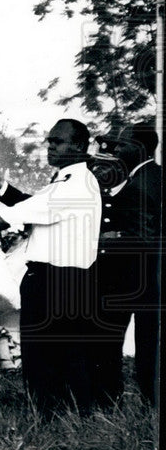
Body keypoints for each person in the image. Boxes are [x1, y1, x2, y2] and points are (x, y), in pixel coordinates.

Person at [0, 119, 102, 414]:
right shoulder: (71, 180)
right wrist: (3, 187)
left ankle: (51, 417)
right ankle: (73, 416)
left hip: (55, 281)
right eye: (49, 140)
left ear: (79, 146)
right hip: (66, 280)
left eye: (58, 141)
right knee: (65, 354)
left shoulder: (74, 185)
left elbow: (16, 215)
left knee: (44, 356)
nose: (50, 146)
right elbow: (34, 204)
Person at [94, 121, 161, 406]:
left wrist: (101, 241)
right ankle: (149, 404)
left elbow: (143, 240)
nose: (117, 149)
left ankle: (127, 403)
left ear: (141, 148)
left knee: (131, 345)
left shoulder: (141, 185)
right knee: (149, 345)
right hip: (148, 279)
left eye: (123, 144)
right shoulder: (152, 176)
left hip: (137, 278)